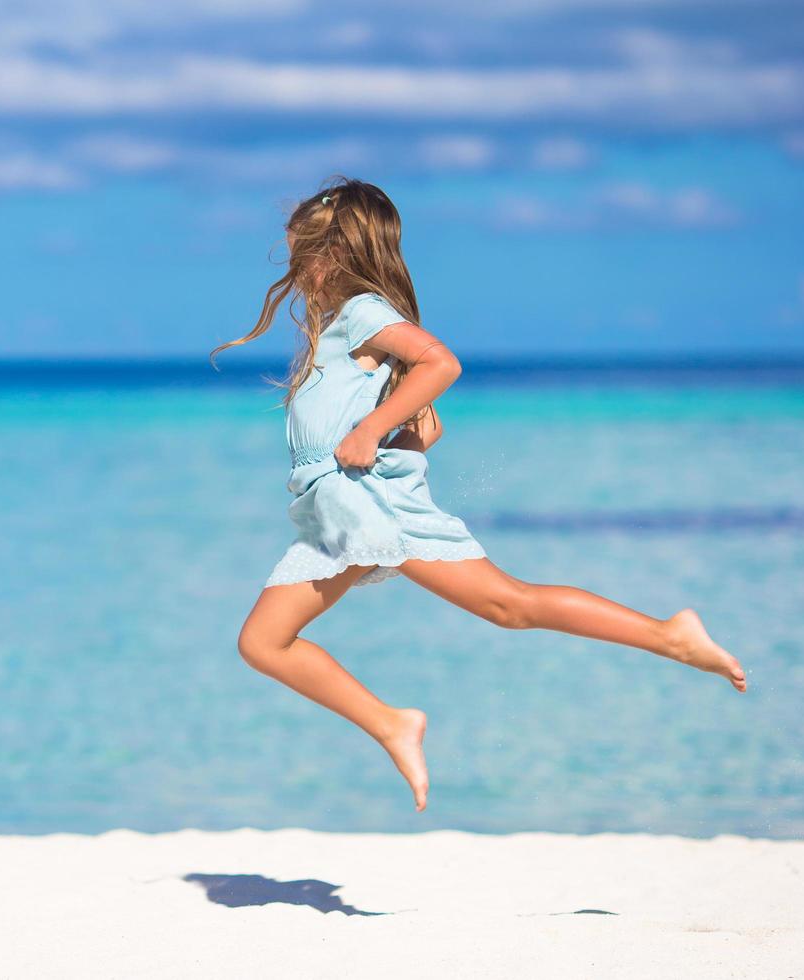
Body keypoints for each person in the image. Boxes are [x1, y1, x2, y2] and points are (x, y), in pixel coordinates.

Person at [210, 176, 748, 813]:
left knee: (507, 604)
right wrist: (398, 440)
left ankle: (670, 635)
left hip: (366, 509)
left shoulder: (364, 312)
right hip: (336, 514)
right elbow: (376, 417)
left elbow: (441, 363)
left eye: (302, 255)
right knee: (263, 642)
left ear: (333, 255)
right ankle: (391, 723)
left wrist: (373, 428)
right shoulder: (341, 330)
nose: (297, 273)